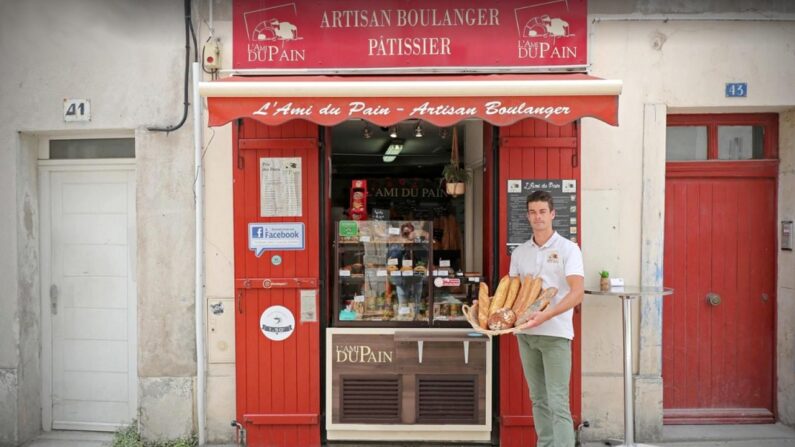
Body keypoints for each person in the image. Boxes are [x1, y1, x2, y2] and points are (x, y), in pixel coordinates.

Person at [510, 190, 584, 447]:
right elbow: (513, 293)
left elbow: (577, 293)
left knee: (558, 401)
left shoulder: (568, 249)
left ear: (552, 214)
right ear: (527, 216)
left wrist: (547, 315)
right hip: (525, 335)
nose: (537, 217)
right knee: (538, 399)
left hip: (555, 334)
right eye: (532, 212)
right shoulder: (519, 252)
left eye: (542, 211)